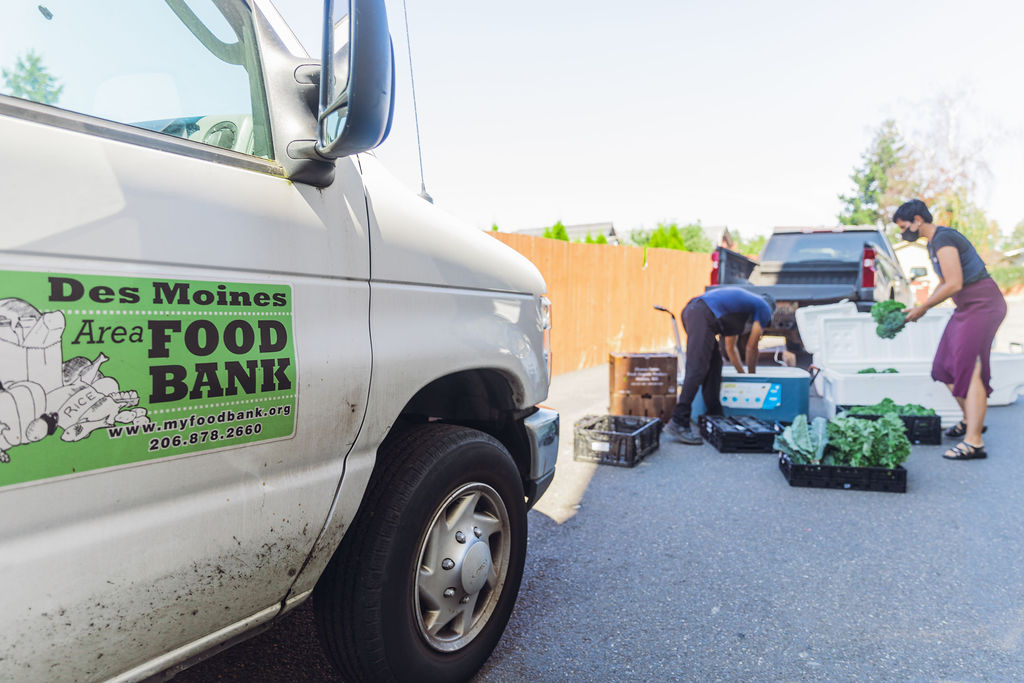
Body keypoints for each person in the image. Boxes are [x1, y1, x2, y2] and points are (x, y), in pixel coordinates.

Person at [895, 199, 1006, 460]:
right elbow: (945, 282)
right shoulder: (934, 244)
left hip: (983, 305)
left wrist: (923, 309)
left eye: (903, 227)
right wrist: (918, 307)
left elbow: (955, 283)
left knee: (971, 370)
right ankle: (970, 421)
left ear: (917, 220)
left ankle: (974, 442)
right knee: (943, 367)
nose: (903, 233)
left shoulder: (944, 238)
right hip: (966, 308)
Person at [663, 286, 775, 444]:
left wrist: (742, 373)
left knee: (715, 366)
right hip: (701, 314)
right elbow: (752, 347)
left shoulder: (738, 312)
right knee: (697, 369)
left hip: (698, 312)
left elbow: (730, 348)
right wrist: (752, 375)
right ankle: (678, 421)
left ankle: (714, 415)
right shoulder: (763, 307)